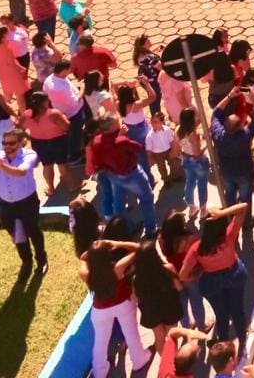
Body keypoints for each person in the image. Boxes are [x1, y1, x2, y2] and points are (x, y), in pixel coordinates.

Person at [78, 233, 152, 378]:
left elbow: (82, 258)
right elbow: (139, 249)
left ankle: (100, 371)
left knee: (100, 341)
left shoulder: (86, 274)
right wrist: (117, 242)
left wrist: (90, 253)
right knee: (131, 333)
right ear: (108, 255)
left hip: (100, 311)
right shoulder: (117, 268)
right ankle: (139, 360)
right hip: (123, 304)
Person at [179, 203, 250, 342]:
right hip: (234, 276)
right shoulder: (229, 236)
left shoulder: (196, 248)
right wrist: (222, 213)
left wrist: (197, 274)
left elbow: (182, 275)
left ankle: (223, 342)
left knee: (221, 314)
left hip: (211, 283)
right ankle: (242, 338)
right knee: (237, 310)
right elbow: (243, 207)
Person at [88, 115, 159, 233]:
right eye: (117, 122)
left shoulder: (97, 141)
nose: (120, 122)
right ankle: (151, 230)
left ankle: (128, 229)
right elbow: (137, 148)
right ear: (111, 127)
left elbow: (97, 161)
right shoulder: (120, 140)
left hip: (114, 176)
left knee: (119, 206)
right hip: (132, 175)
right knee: (146, 198)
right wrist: (122, 137)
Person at [131, 237, 183, 352]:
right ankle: (174, 361)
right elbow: (179, 287)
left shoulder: (137, 279)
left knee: (159, 339)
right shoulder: (168, 269)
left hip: (151, 311)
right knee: (172, 336)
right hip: (170, 307)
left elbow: (136, 298)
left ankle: (166, 363)